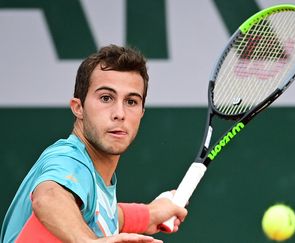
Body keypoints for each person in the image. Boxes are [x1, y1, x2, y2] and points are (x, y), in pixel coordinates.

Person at [1, 44, 187, 243]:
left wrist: (148, 215)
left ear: (142, 112)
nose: (119, 114)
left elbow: (100, 215)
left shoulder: (93, 186)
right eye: (106, 98)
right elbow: (49, 197)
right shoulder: (68, 158)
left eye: (131, 101)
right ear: (78, 108)